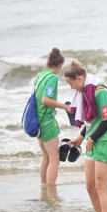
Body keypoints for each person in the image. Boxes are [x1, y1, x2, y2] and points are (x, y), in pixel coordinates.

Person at [63, 61, 107, 212]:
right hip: (92, 142)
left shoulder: (100, 91)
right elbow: (91, 122)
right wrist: (80, 138)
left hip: (105, 142)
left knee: (102, 188)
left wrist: (92, 139)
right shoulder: (85, 92)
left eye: (71, 83)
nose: (72, 88)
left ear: (79, 79)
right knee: (90, 187)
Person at [34, 48, 71, 187]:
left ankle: (44, 186)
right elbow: (45, 99)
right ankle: (51, 190)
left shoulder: (40, 75)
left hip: (38, 120)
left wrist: (52, 108)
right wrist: (65, 107)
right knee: (55, 159)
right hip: (47, 122)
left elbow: (38, 99)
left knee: (46, 157)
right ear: (60, 65)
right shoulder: (52, 78)